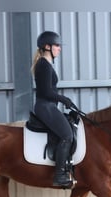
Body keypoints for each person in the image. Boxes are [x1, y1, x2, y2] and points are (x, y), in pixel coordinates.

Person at [31, 31, 77, 189]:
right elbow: (46, 92)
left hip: (49, 106)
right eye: (57, 45)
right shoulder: (43, 65)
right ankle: (59, 175)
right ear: (47, 46)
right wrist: (64, 99)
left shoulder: (46, 64)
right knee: (67, 135)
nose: (59, 48)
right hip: (45, 106)